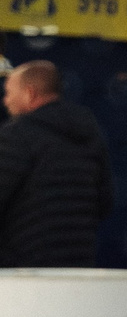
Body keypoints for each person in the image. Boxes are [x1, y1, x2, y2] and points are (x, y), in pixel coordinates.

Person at [0, 61, 114, 269]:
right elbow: (105, 202)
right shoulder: (90, 135)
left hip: (22, 275)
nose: (5, 101)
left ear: (29, 93)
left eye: (8, 93)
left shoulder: (15, 136)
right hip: (77, 269)